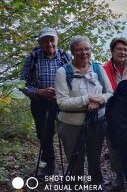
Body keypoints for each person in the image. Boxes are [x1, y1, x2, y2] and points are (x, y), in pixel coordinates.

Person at [55, 36, 113, 186]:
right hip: (71, 125)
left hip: (97, 122)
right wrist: (88, 99)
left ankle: (96, 185)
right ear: (73, 51)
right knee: (75, 161)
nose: (84, 52)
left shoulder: (98, 69)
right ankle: (76, 187)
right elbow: (62, 103)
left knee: (95, 159)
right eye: (79, 49)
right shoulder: (63, 72)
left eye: (87, 49)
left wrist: (98, 102)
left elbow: (110, 93)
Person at [20, 27, 72, 175]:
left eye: (52, 40)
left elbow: (74, 79)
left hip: (61, 102)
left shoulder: (65, 57)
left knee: (67, 131)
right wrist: (38, 92)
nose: (49, 44)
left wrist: (63, 91)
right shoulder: (33, 58)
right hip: (39, 103)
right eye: (45, 40)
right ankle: (49, 163)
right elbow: (22, 85)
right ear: (40, 42)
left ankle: (73, 162)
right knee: (44, 134)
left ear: (57, 41)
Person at [102, 37, 127, 188]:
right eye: (119, 49)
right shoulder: (103, 69)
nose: (122, 52)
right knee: (114, 147)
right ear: (112, 51)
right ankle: (119, 175)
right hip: (111, 115)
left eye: (125, 50)